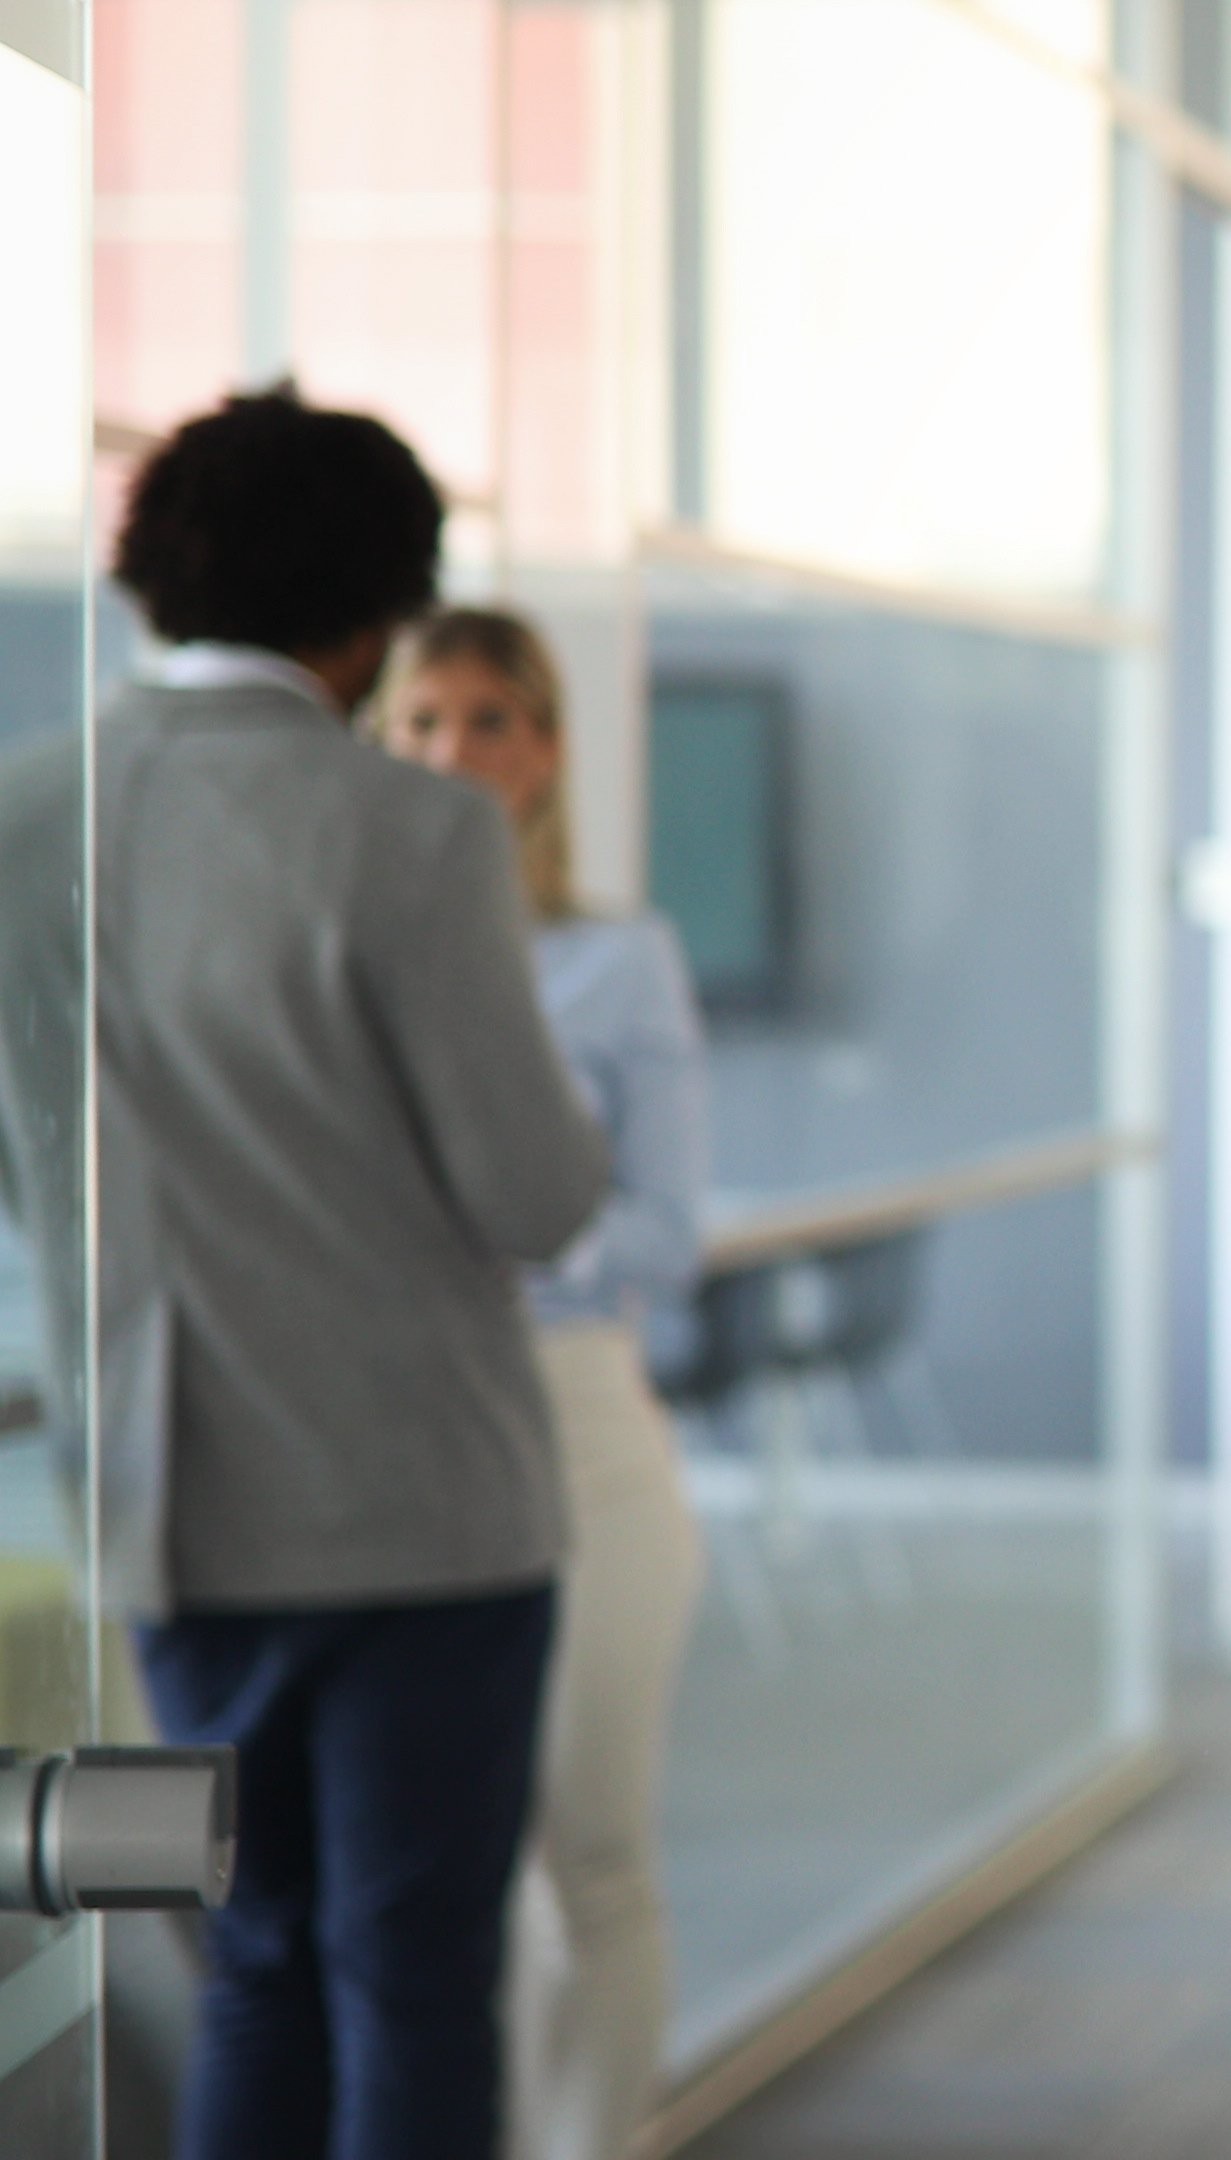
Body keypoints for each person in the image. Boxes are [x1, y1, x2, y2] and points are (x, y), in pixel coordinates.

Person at [0, 386, 608, 2160]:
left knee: (255, 1962)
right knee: (416, 1978)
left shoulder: (25, 817)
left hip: (170, 1504)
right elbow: (535, 1192)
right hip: (428, 1513)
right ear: (373, 619)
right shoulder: (413, 834)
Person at [382, 608, 710, 2160]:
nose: (458, 754)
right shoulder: (357, 944)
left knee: (595, 1854)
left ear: (549, 747)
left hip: (579, 1428)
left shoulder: (615, 957)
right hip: (401, 1448)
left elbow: (667, 1226)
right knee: (448, 1872)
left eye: (491, 720)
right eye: (426, 723)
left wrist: (493, 1254)